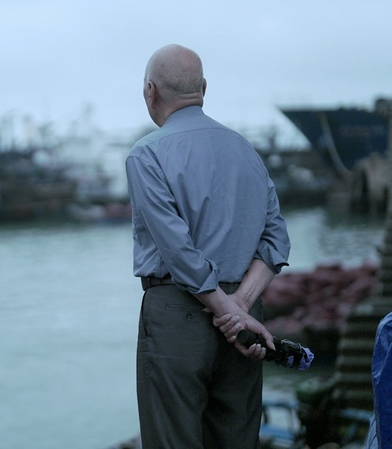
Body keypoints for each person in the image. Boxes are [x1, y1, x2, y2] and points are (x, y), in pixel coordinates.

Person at [125, 44, 291, 449]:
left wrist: (225, 312)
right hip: (246, 317)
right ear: (203, 88)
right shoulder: (245, 149)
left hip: (179, 313)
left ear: (150, 91)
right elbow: (277, 239)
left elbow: (177, 250)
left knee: (173, 439)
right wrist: (241, 310)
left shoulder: (146, 155)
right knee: (237, 437)